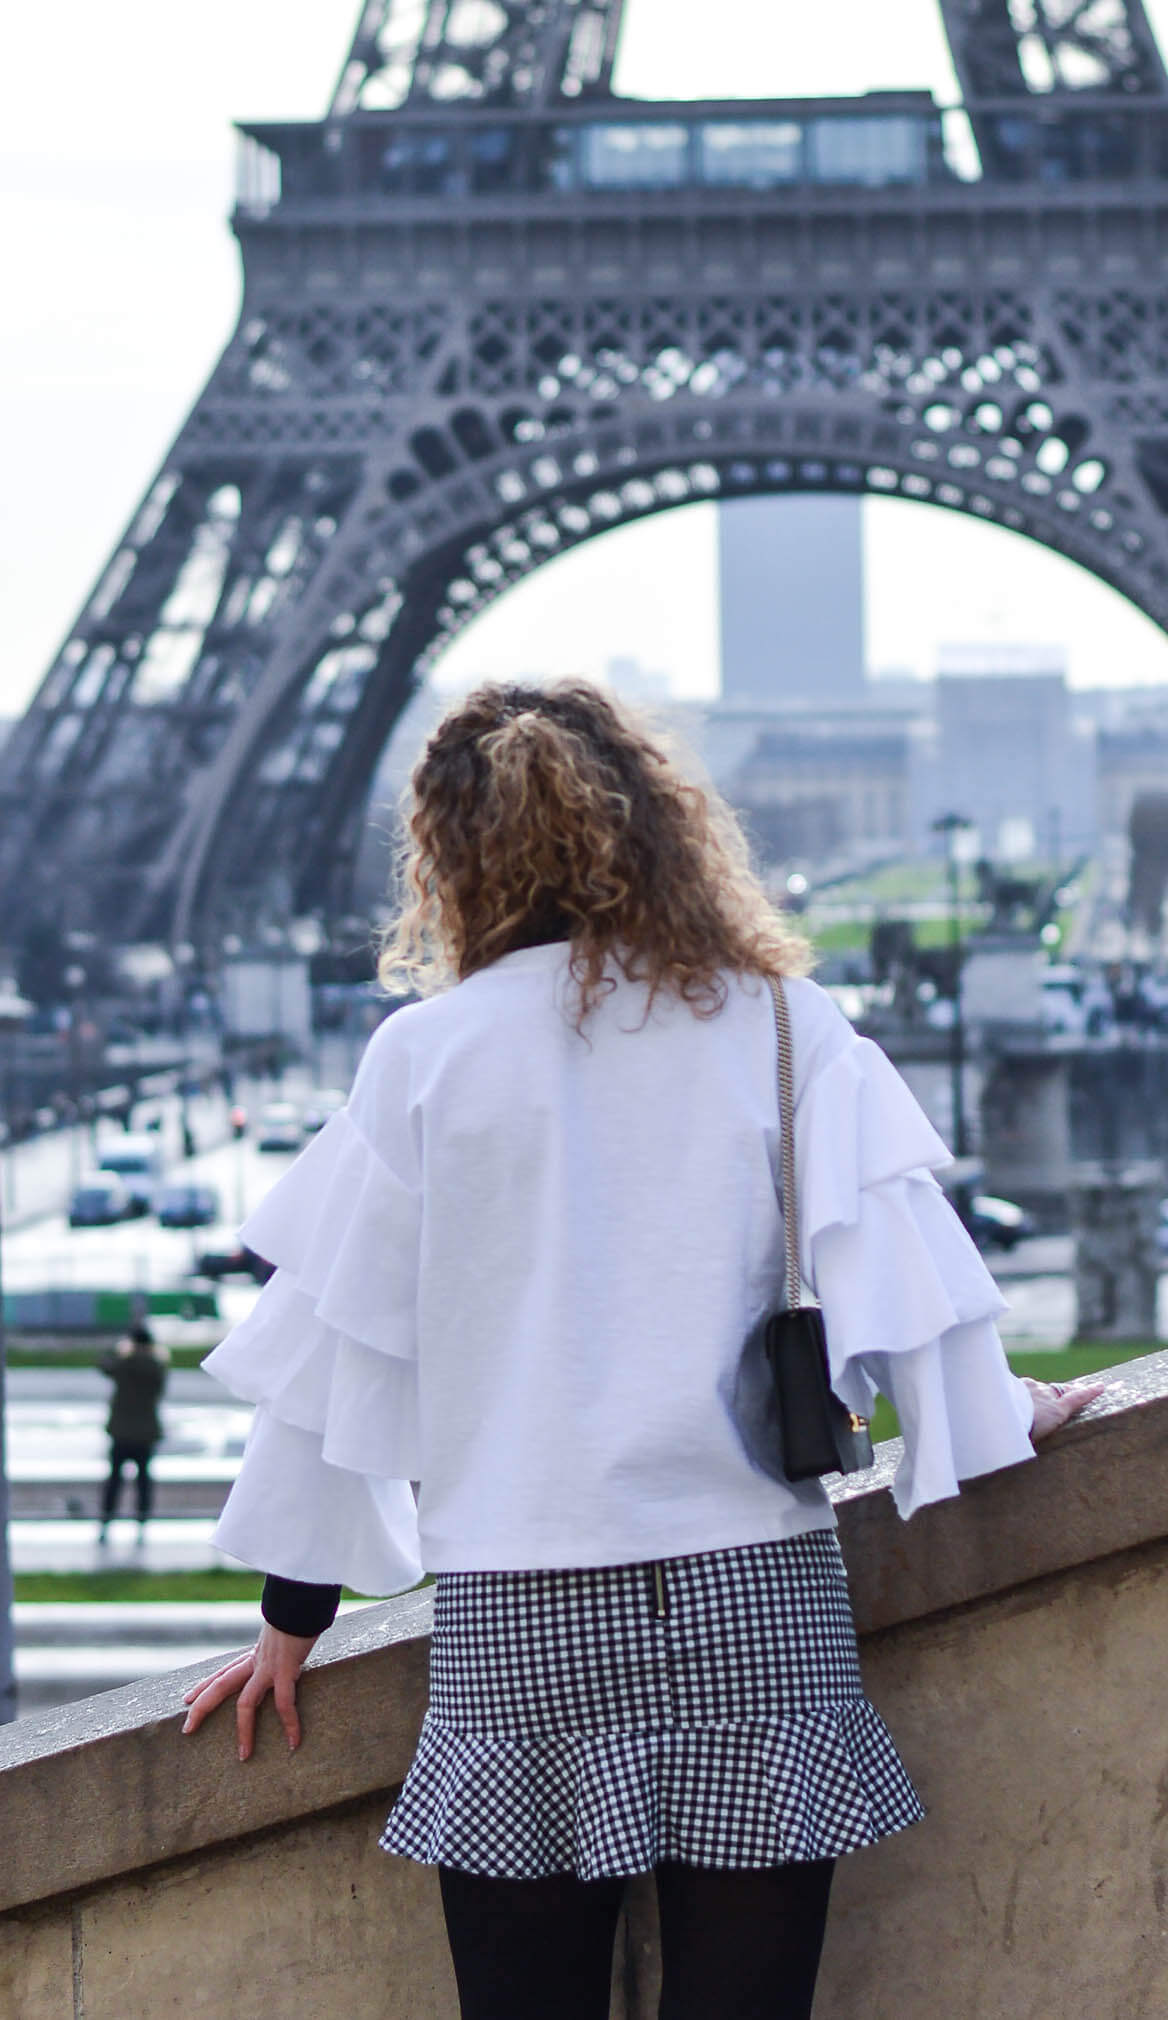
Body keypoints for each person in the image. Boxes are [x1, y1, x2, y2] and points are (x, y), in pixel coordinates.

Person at [182, 680, 1101, 2020]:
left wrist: (293, 1616)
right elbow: (905, 1284)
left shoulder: (425, 1058)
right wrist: (998, 1412)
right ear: (662, 823)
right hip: (754, 1598)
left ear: (447, 858)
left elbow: (345, 1354)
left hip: (522, 1609)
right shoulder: (785, 1027)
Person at [98, 1320, 170, 1540]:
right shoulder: (156, 1365)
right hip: (146, 1432)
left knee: (114, 1480)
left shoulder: (124, 1363)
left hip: (121, 1432)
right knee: (143, 1481)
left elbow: (103, 1365)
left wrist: (120, 1350)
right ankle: (142, 1521)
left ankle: (107, 1520)